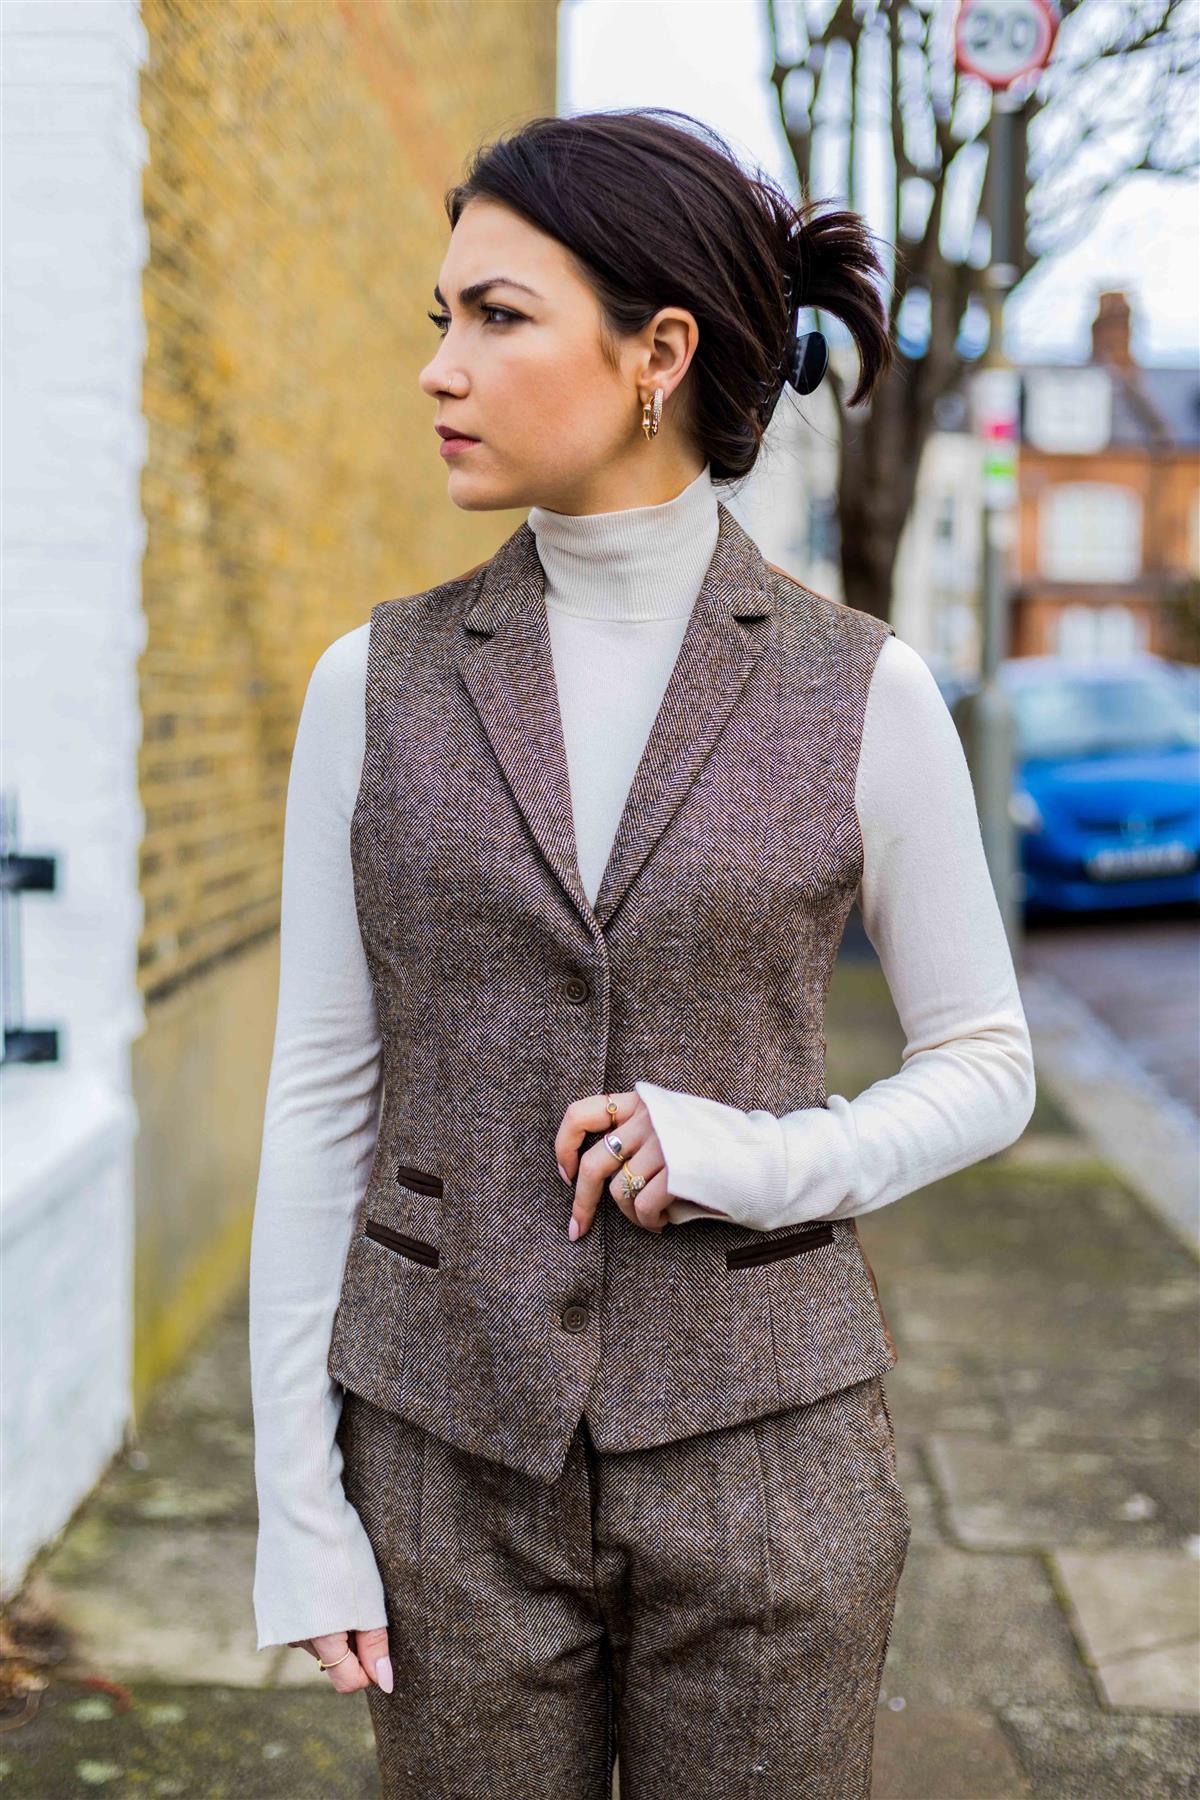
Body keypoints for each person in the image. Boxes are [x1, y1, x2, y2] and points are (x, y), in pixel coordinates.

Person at [249, 107, 1036, 1798]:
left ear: (656, 352)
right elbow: (324, 1095)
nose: (439, 368)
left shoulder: (864, 691)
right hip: (446, 1456)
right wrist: (297, 1509)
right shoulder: (369, 688)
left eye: (498, 315)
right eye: (437, 318)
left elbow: (987, 1064)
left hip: (775, 1465)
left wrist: (759, 1152)